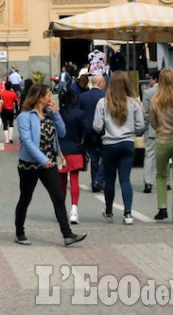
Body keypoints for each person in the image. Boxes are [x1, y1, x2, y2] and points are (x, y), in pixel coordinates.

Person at [14, 83, 86, 247]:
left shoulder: (48, 114)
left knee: (58, 197)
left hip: (49, 162)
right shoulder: (25, 116)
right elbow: (27, 141)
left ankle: (67, 235)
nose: (51, 98)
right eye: (48, 95)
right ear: (39, 97)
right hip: (30, 164)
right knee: (26, 198)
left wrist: (56, 114)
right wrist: (42, 159)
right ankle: (20, 232)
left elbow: (62, 132)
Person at [94, 71, 145, 225]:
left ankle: (109, 211)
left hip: (109, 144)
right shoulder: (134, 103)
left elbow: (97, 126)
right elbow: (141, 125)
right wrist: (132, 131)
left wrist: (105, 131)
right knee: (125, 179)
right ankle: (128, 213)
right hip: (127, 143)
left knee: (110, 179)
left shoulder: (103, 102)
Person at [148, 69, 173, 224]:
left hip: (162, 139)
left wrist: (159, 128)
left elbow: (152, 120)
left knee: (161, 176)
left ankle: (162, 208)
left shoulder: (155, 99)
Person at [58, 88, 86, 225]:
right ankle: (74, 209)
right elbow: (87, 130)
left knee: (62, 180)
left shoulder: (59, 114)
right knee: (74, 178)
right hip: (75, 148)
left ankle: (61, 210)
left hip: (61, 150)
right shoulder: (81, 114)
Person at [79, 74, 106, 193]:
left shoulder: (83, 97)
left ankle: (94, 181)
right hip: (104, 131)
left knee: (94, 158)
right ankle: (100, 180)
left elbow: (80, 114)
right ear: (100, 83)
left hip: (88, 131)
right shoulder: (105, 96)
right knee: (106, 157)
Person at [141, 70, 159, 194]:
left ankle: (148, 181)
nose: (149, 81)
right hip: (168, 129)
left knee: (150, 155)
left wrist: (145, 126)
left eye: (150, 79)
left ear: (155, 79)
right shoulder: (171, 91)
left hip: (152, 128)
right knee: (165, 156)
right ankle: (167, 181)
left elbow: (146, 112)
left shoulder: (148, 93)